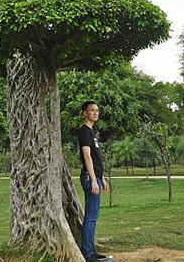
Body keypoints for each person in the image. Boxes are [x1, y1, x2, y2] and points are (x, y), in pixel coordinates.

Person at [78, 101, 110, 262]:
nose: (95, 113)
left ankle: (91, 250)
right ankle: (87, 253)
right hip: (89, 177)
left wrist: (101, 178)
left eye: (97, 110)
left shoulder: (92, 132)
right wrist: (93, 180)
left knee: (93, 216)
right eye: (92, 110)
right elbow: (87, 156)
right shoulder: (84, 131)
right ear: (85, 113)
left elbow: (96, 159)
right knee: (90, 216)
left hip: (95, 177)